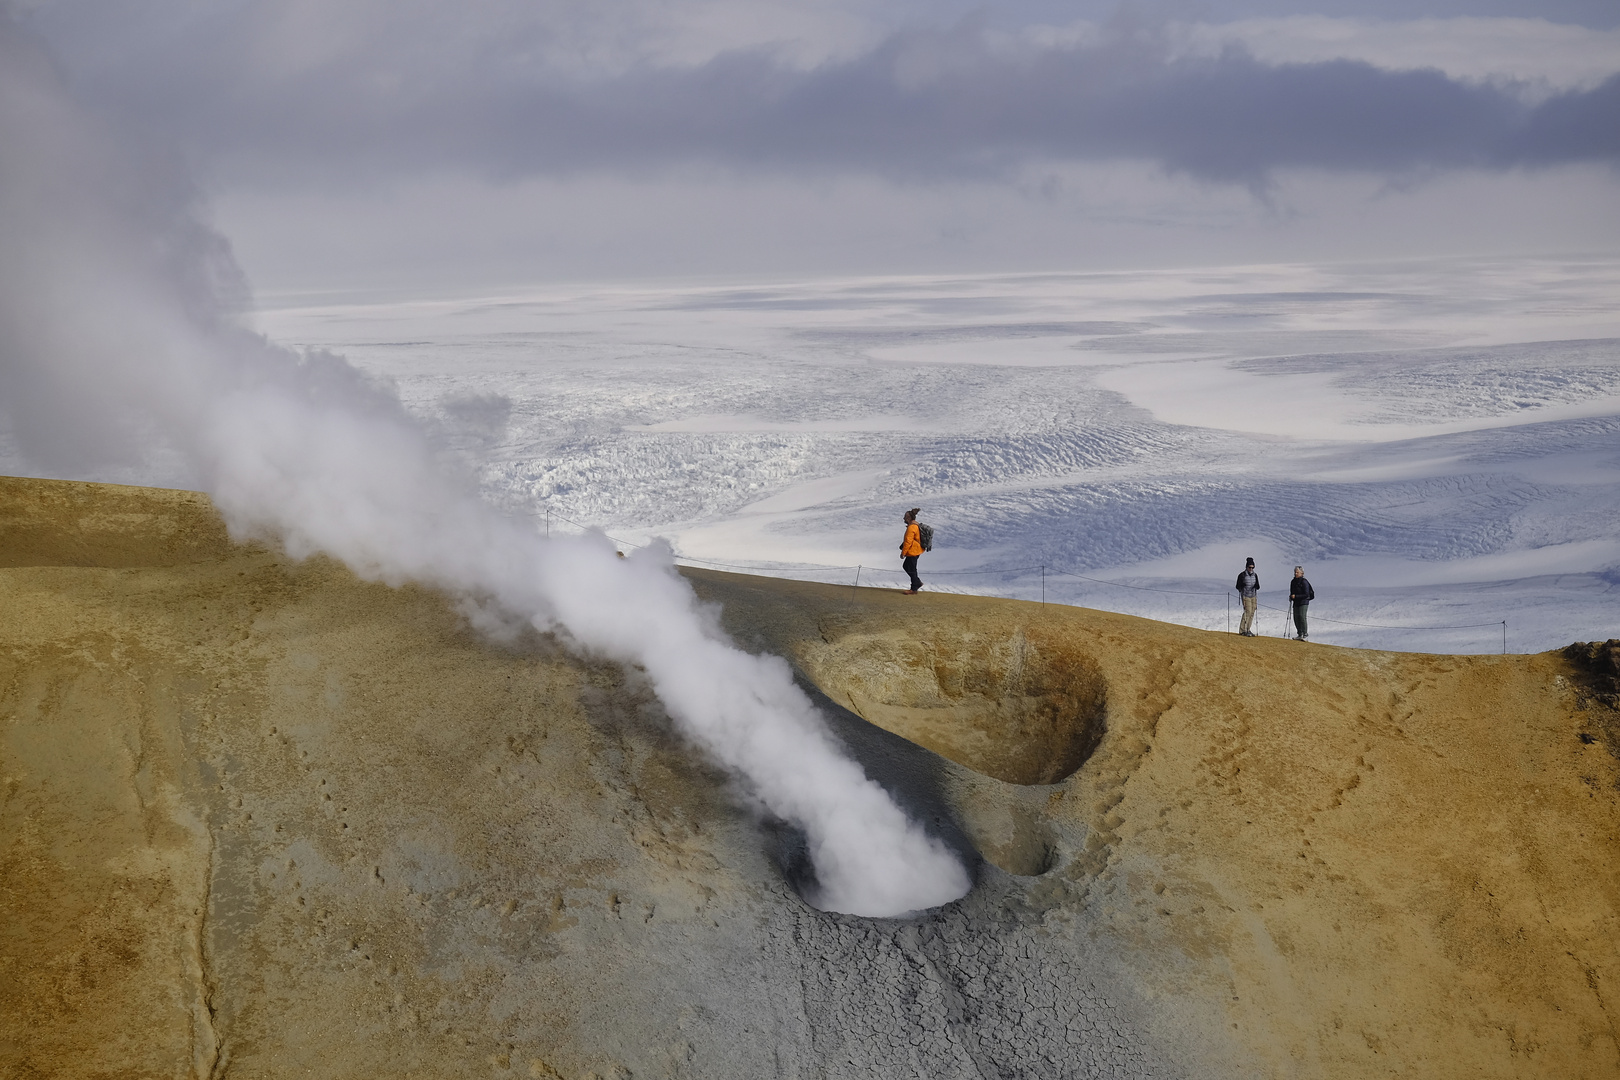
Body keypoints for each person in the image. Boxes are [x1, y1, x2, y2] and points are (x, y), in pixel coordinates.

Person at [900, 508, 924, 594]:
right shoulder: (915, 526)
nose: (904, 519)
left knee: (910, 568)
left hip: (913, 551)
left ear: (909, 518)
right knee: (909, 567)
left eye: (905, 517)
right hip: (916, 550)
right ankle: (916, 583)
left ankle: (914, 588)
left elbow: (908, 542)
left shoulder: (911, 527)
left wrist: (903, 553)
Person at [1289, 565, 1316, 640]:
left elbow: (1306, 594)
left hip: (1304, 601)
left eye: (1297, 572)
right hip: (1296, 602)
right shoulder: (1293, 581)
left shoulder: (1304, 581)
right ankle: (1299, 633)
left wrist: (1296, 596)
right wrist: (1291, 597)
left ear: (1302, 573)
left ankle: (1305, 634)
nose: (1295, 574)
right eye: (1295, 572)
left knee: (1302, 616)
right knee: (1296, 617)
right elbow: (1292, 591)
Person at [1235, 557, 1260, 636]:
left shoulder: (1255, 575)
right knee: (1248, 612)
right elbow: (1237, 586)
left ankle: (1248, 629)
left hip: (1253, 596)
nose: (1251, 569)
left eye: (1252, 567)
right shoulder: (1242, 575)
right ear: (1246, 567)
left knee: (1252, 612)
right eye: (1250, 567)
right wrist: (1242, 585)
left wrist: (1256, 586)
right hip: (1245, 595)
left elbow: (1258, 586)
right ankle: (1243, 630)